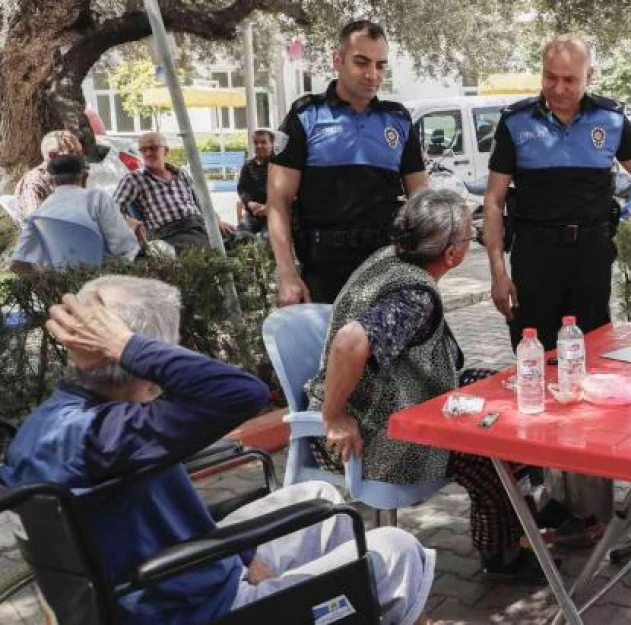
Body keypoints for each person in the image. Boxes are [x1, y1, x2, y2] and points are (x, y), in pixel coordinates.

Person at [0, 275, 436, 625]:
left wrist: (244, 554)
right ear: (145, 362)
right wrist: (128, 346)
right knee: (394, 550)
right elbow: (241, 393)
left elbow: (162, 518)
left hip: (167, 579)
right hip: (201, 606)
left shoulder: (55, 425)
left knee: (317, 498)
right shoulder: (111, 434)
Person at [305, 189, 542, 580]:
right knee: (488, 449)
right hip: (378, 435)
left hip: (402, 403)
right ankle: (502, 553)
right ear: (452, 254)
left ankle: (524, 512)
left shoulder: (393, 256)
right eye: (470, 235)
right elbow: (350, 341)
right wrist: (334, 417)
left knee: (499, 389)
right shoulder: (413, 297)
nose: (473, 240)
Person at [483, 34, 631, 350]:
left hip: (590, 257)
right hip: (534, 257)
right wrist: (498, 274)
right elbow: (493, 201)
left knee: (592, 352)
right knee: (533, 353)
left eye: (569, 80)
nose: (558, 88)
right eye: (550, 77)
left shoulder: (610, 120)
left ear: (590, 75)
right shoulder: (515, 122)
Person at [268, 19, 427, 306]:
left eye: (380, 65)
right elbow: (278, 201)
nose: (372, 74)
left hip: (385, 264)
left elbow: (421, 201)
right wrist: (287, 274)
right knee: (326, 351)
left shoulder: (399, 120)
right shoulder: (306, 115)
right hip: (323, 270)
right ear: (337, 60)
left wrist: (423, 263)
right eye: (362, 62)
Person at [9, 154, 141, 272]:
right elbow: (124, 246)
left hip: (63, 286)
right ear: (84, 176)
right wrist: (133, 231)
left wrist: (47, 284)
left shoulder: (39, 212)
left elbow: (18, 263)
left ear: (51, 181)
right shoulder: (97, 198)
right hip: (103, 281)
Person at [113, 132, 236, 253]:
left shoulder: (181, 174)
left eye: (153, 148)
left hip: (200, 225)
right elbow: (112, 208)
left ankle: (221, 247)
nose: (148, 153)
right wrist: (128, 221)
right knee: (201, 248)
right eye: (143, 150)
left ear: (165, 151)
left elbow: (200, 202)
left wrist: (216, 220)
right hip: (171, 232)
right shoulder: (134, 179)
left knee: (243, 237)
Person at [13, 130, 83, 221]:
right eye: (72, 154)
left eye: (79, 153)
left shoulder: (67, 176)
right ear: (53, 155)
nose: (78, 159)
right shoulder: (33, 182)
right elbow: (37, 222)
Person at [236, 128, 274, 237]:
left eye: (263, 142)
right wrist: (249, 203)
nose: (259, 146)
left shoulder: (279, 166)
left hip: (273, 212)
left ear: (272, 144)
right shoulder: (248, 166)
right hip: (253, 212)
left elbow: (286, 193)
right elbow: (242, 189)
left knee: (266, 238)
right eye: (256, 143)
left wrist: (269, 208)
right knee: (241, 235)